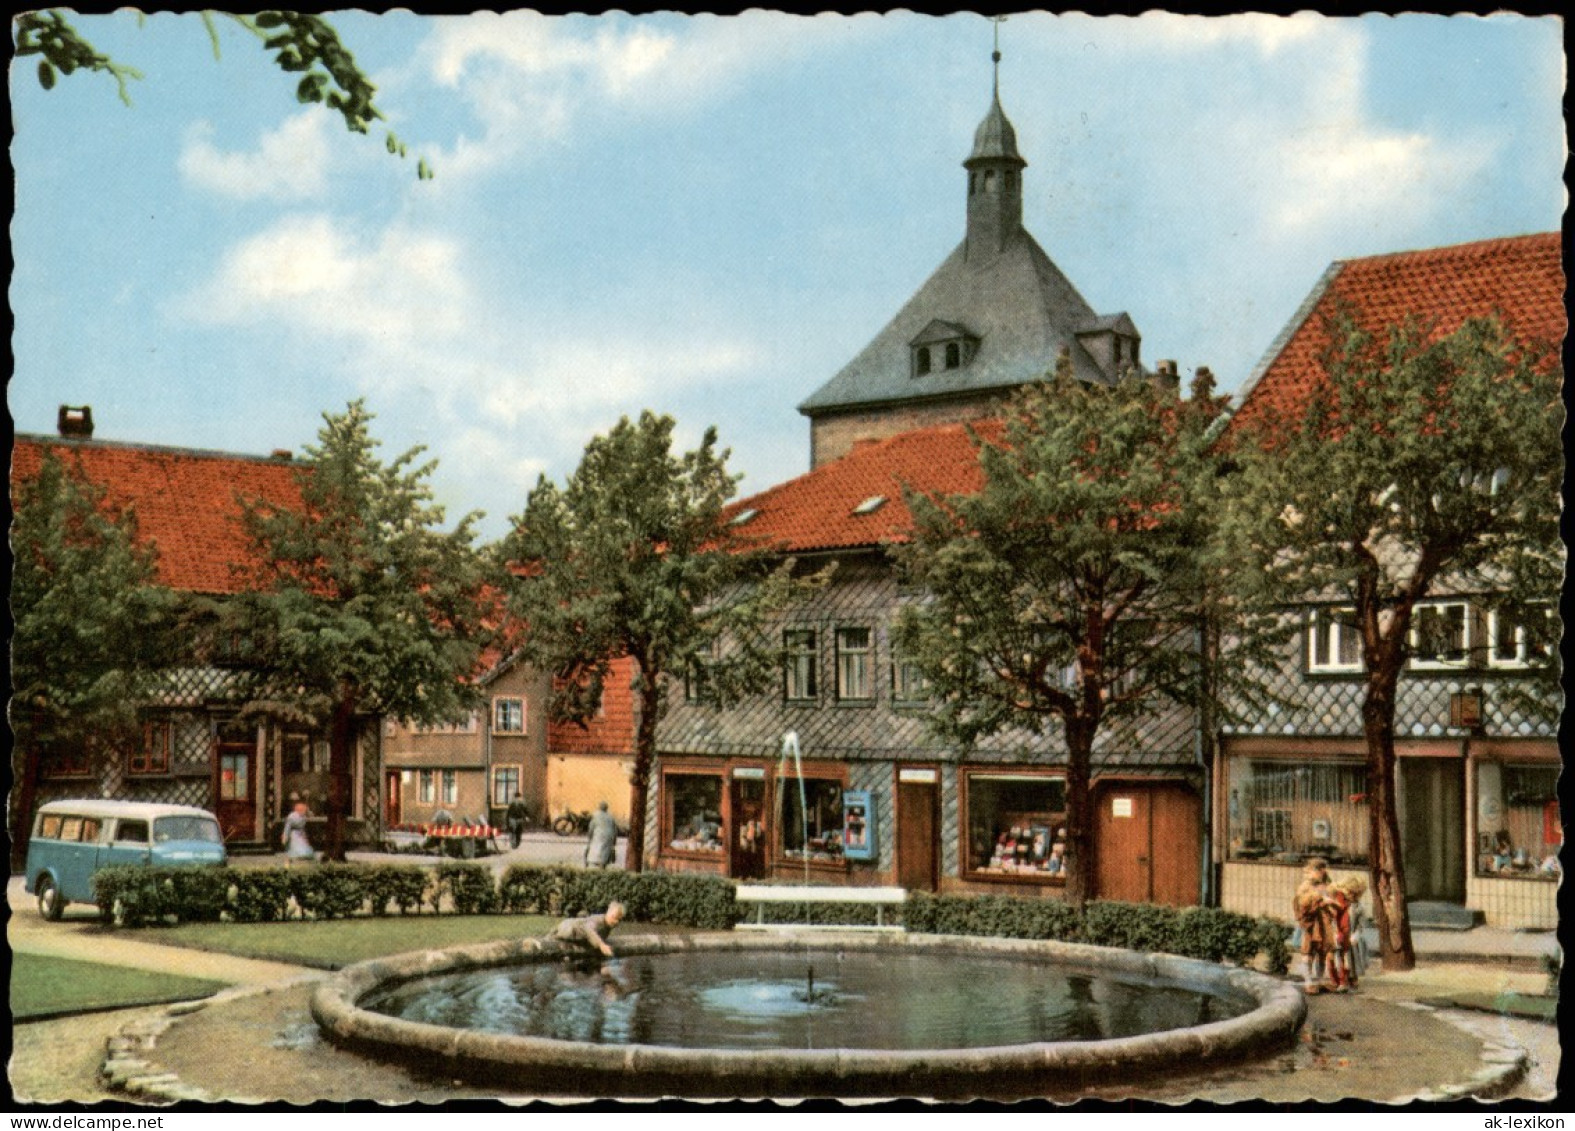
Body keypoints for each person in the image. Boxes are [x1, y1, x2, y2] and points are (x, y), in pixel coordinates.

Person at [1292, 858, 1331, 994]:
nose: (1321, 874)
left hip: (1323, 922)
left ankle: (1318, 981)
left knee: (1322, 952)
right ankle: (1308, 981)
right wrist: (1318, 901)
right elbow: (1300, 905)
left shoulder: (1325, 885)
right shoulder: (1305, 887)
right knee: (1308, 952)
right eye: (1318, 870)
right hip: (1310, 923)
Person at [546, 901, 625, 959]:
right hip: (570, 927)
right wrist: (601, 945)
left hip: (579, 935)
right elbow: (589, 930)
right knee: (568, 932)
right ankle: (553, 937)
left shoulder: (608, 926)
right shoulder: (598, 920)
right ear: (609, 913)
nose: (617, 922)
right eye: (614, 918)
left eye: (619, 919)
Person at [584, 800, 618, 869]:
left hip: (598, 835)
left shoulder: (595, 815)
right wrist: (614, 841)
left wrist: (589, 837)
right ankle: (602, 867)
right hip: (609, 836)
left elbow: (591, 828)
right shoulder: (610, 816)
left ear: (599, 807)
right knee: (605, 853)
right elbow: (615, 830)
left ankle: (588, 866)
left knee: (594, 851)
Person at [282, 800, 316, 867]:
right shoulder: (292, 816)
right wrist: (285, 836)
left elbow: (310, 816)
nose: (303, 811)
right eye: (302, 810)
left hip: (300, 834)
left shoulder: (303, 816)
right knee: (293, 850)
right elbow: (287, 827)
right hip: (293, 835)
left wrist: (304, 836)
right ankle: (287, 864)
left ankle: (300, 866)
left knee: (303, 850)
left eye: (304, 810)